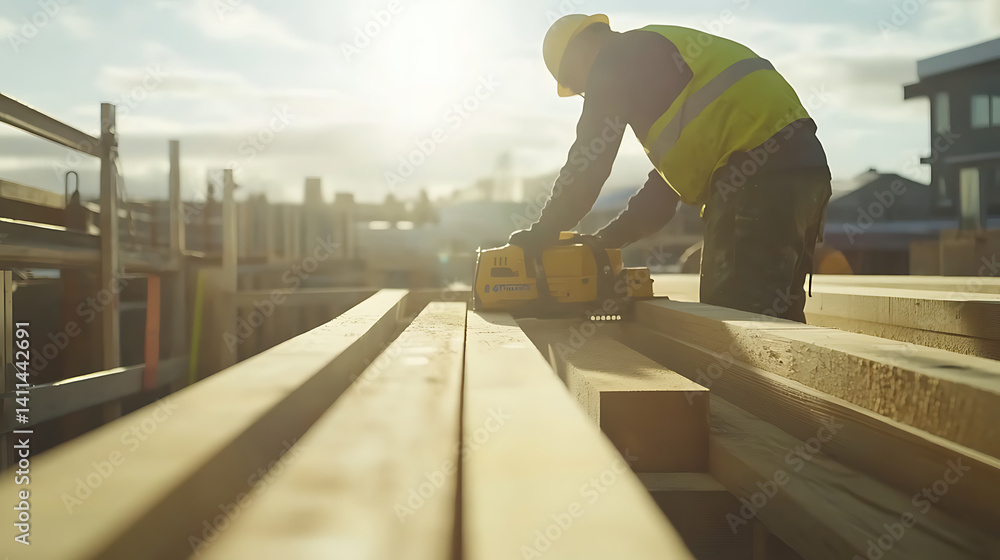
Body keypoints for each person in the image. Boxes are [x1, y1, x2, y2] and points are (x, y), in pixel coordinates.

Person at [508, 14, 832, 322]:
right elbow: (663, 194)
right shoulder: (659, 59)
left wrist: (545, 231)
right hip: (806, 170)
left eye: (576, 86)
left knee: (738, 325)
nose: (585, 93)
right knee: (781, 320)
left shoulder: (614, 60)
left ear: (578, 54)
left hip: (756, 179)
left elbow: (589, 161)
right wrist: (608, 239)